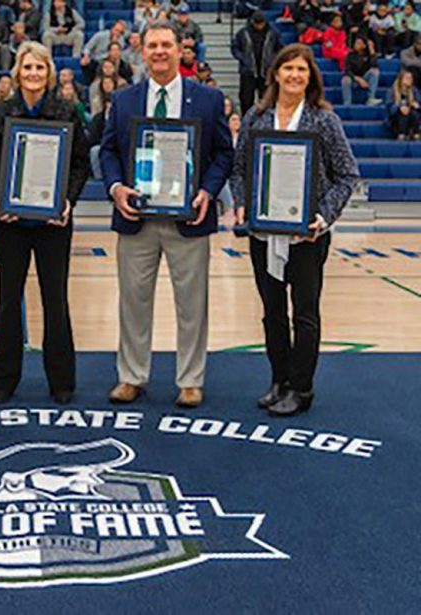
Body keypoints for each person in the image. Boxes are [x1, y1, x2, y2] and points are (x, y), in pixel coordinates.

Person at [100, 20, 233, 406]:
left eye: (166, 45)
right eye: (153, 45)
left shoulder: (207, 98)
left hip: (188, 218)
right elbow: (107, 151)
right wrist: (115, 187)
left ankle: (191, 380)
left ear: (180, 49)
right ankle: (131, 376)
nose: (159, 51)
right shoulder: (124, 100)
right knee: (133, 301)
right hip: (136, 217)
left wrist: (208, 190)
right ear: (142, 51)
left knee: (192, 303)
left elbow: (224, 152)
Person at [230, 43, 359, 416]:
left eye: (302, 70)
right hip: (263, 232)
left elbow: (347, 174)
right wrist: (241, 202)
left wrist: (322, 216)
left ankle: (302, 389)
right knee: (272, 313)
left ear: (310, 77)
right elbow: (239, 170)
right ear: (275, 74)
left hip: (307, 234)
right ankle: (280, 380)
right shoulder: (256, 117)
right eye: (288, 69)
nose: (294, 76)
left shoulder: (323, 119)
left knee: (305, 313)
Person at [0, 41, 90, 404]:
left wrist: (67, 201)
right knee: (7, 301)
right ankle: (4, 381)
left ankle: (62, 382)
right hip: (10, 222)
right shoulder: (0, 112)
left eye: (39, 68)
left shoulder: (67, 110)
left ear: (49, 72)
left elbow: (79, 164)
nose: (33, 74)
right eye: (27, 68)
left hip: (52, 224)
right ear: (17, 73)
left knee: (55, 300)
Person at [232, 11, 283, 114]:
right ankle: (246, 119)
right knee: (246, 99)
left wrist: (273, 60)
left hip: (266, 71)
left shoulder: (273, 33)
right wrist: (243, 58)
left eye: (261, 23)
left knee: (266, 99)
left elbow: (280, 49)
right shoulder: (243, 33)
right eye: (256, 23)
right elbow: (235, 48)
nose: (259, 25)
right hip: (248, 71)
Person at [342, 35, 381, 104]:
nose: (356, 45)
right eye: (356, 43)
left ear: (364, 46)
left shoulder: (368, 55)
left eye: (359, 43)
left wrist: (372, 52)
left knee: (375, 71)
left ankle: (371, 98)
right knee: (345, 79)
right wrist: (358, 79)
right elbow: (347, 70)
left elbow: (375, 66)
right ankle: (347, 103)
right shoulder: (350, 55)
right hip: (354, 79)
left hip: (366, 79)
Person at [386, 68, 420, 138]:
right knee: (403, 115)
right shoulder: (392, 90)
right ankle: (401, 134)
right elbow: (389, 106)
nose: (410, 80)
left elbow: (419, 103)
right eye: (407, 78)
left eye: (411, 78)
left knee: (414, 114)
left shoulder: (414, 90)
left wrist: (416, 105)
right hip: (396, 117)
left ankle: (415, 133)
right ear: (401, 79)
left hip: (411, 115)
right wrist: (399, 107)